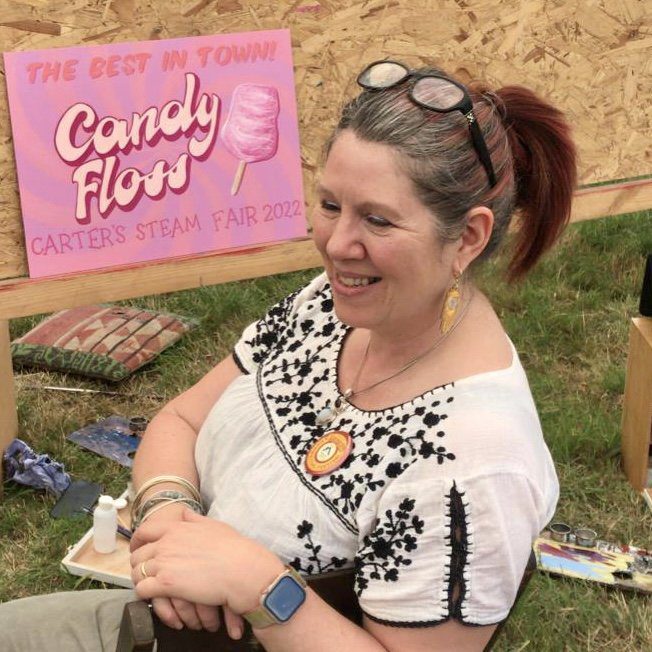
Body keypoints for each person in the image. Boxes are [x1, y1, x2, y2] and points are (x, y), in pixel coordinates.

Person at [0, 59, 576, 651]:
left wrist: (263, 590)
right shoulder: (331, 306)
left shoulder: (476, 465)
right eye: (330, 206)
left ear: (470, 236)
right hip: (164, 630)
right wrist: (167, 517)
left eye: (376, 219)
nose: (336, 245)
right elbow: (182, 418)